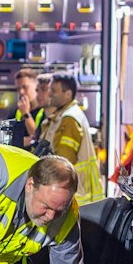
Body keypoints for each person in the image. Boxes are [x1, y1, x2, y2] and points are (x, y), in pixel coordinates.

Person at [36, 72, 106, 203]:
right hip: (73, 191)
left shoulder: (69, 119)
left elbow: (64, 161)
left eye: (53, 90)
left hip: (74, 194)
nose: (49, 94)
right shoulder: (62, 115)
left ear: (67, 94)